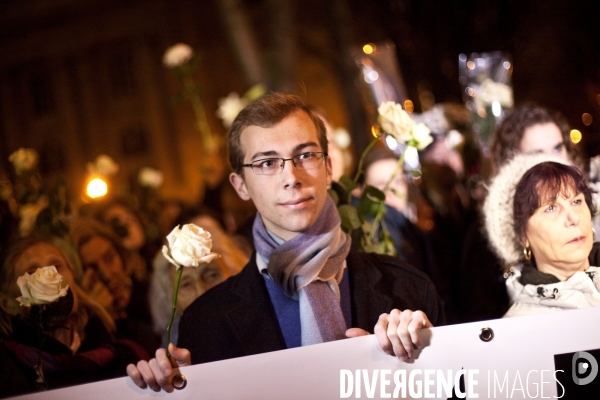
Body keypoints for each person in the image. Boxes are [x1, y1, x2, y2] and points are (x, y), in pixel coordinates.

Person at [126, 92, 444, 393]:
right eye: (267, 163)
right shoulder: (206, 322)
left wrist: (422, 362)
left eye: (305, 155)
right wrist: (174, 392)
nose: (291, 177)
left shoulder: (408, 289)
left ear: (329, 167)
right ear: (240, 186)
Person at [457, 103, 583, 323]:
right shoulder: (486, 237)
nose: (553, 160)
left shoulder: (588, 202)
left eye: (557, 148)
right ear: (513, 163)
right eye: (537, 154)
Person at [0, 236, 146, 398]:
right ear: (8, 303)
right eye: (33, 273)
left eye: (57, 266)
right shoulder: (10, 367)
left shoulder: (121, 353)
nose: (51, 279)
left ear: (74, 281)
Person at [483, 153, 600, 316]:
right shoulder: (523, 325)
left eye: (577, 201)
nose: (573, 218)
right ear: (523, 236)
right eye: (551, 208)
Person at [149, 213, 248, 346]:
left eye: (211, 275)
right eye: (186, 285)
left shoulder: (268, 321)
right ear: (172, 300)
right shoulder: (173, 351)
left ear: (235, 271)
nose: (202, 292)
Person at [70, 218, 160, 356]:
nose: (106, 275)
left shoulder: (153, 291)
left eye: (109, 258)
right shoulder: (83, 329)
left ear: (121, 255)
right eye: (92, 268)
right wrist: (99, 317)